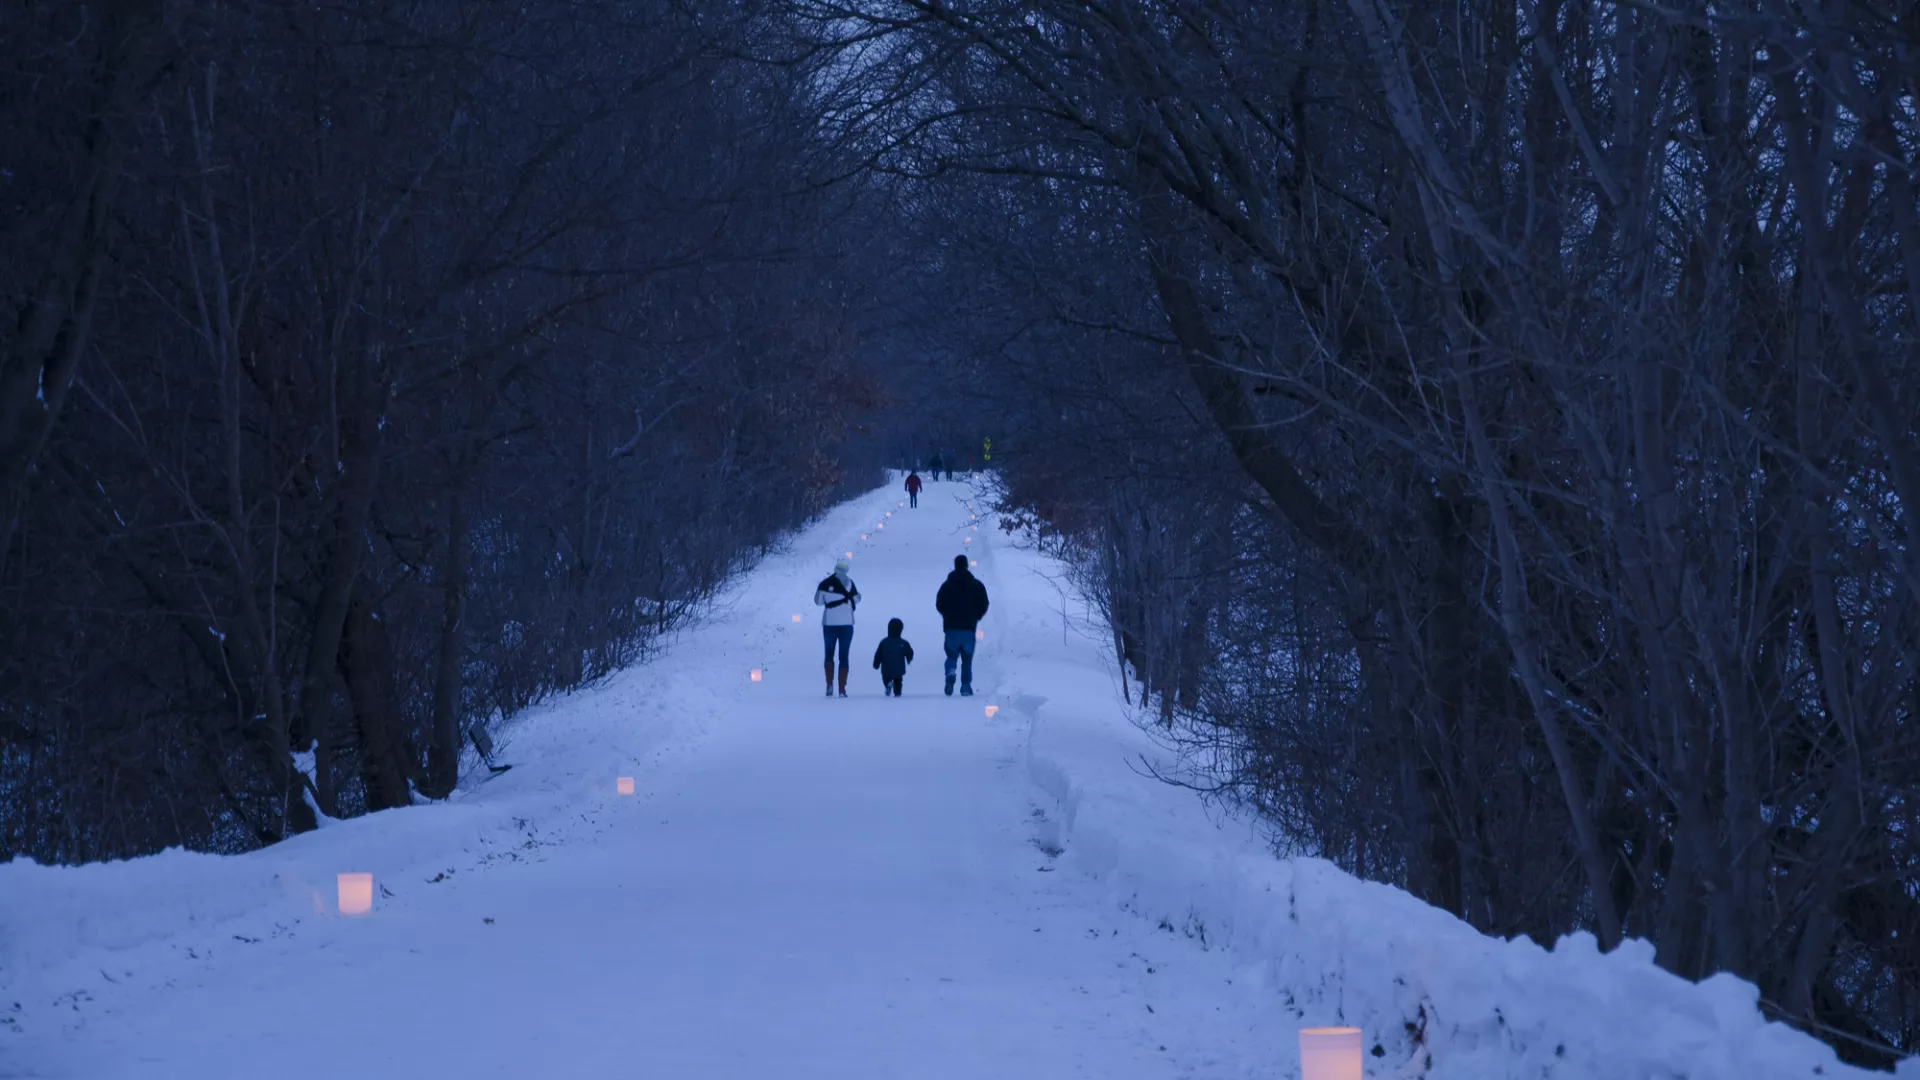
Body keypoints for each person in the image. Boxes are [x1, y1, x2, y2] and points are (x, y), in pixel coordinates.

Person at [934, 554, 989, 696]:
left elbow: (939, 603)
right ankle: (965, 686)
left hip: (951, 628)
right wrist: (977, 616)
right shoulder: (976, 585)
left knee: (952, 655)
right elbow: (984, 603)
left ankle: (951, 671)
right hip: (969, 627)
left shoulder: (947, 585)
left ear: (955, 565)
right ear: (967, 566)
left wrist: (947, 615)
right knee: (967, 659)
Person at [814, 557, 859, 697]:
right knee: (844, 655)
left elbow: (818, 602)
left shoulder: (825, 584)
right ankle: (842, 688)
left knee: (829, 654)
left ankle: (829, 684)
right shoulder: (850, 584)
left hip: (829, 624)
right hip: (847, 624)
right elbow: (856, 599)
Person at [872, 617, 915, 697]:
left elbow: (878, 654)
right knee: (898, 680)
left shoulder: (884, 642)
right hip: (899, 668)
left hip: (886, 668)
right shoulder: (903, 643)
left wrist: (876, 664)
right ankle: (897, 692)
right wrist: (909, 659)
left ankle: (888, 684)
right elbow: (910, 652)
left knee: (886, 678)